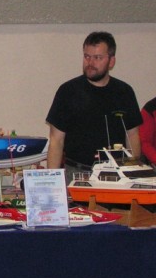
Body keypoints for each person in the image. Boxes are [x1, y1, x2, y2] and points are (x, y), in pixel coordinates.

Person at [46, 31, 143, 180]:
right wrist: (51, 181)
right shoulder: (67, 91)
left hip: (117, 175)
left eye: (97, 58)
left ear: (111, 61)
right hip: (77, 174)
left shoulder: (124, 92)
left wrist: (133, 174)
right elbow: (56, 141)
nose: (90, 63)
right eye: (87, 57)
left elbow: (132, 136)